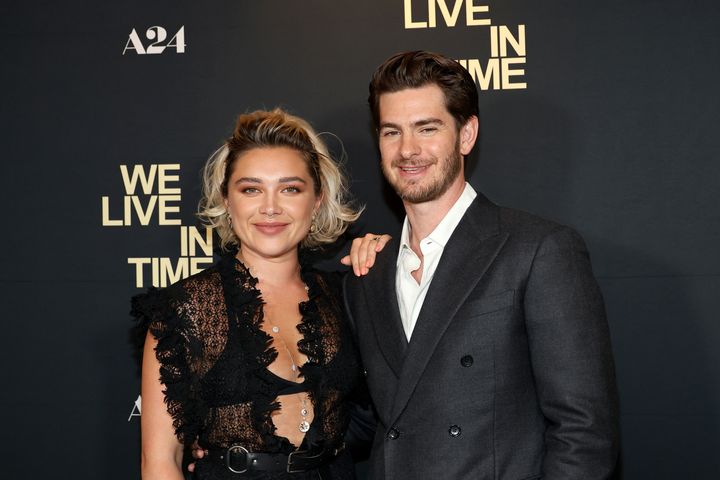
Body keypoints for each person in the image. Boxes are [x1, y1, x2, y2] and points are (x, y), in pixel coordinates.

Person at [342, 51, 620, 479]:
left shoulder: (538, 249)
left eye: (427, 128)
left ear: (466, 134)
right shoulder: (367, 275)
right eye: (391, 132)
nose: (407, 150)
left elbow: (583, 432)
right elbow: (364, 419)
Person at [136, 109, 383, 479]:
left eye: (290, 188)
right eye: (251, 189)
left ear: (316, 201)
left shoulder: (345, 296)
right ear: (227, 200)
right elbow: (160, 463)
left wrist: (397, 254)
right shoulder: (185, 310)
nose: (270, 207)